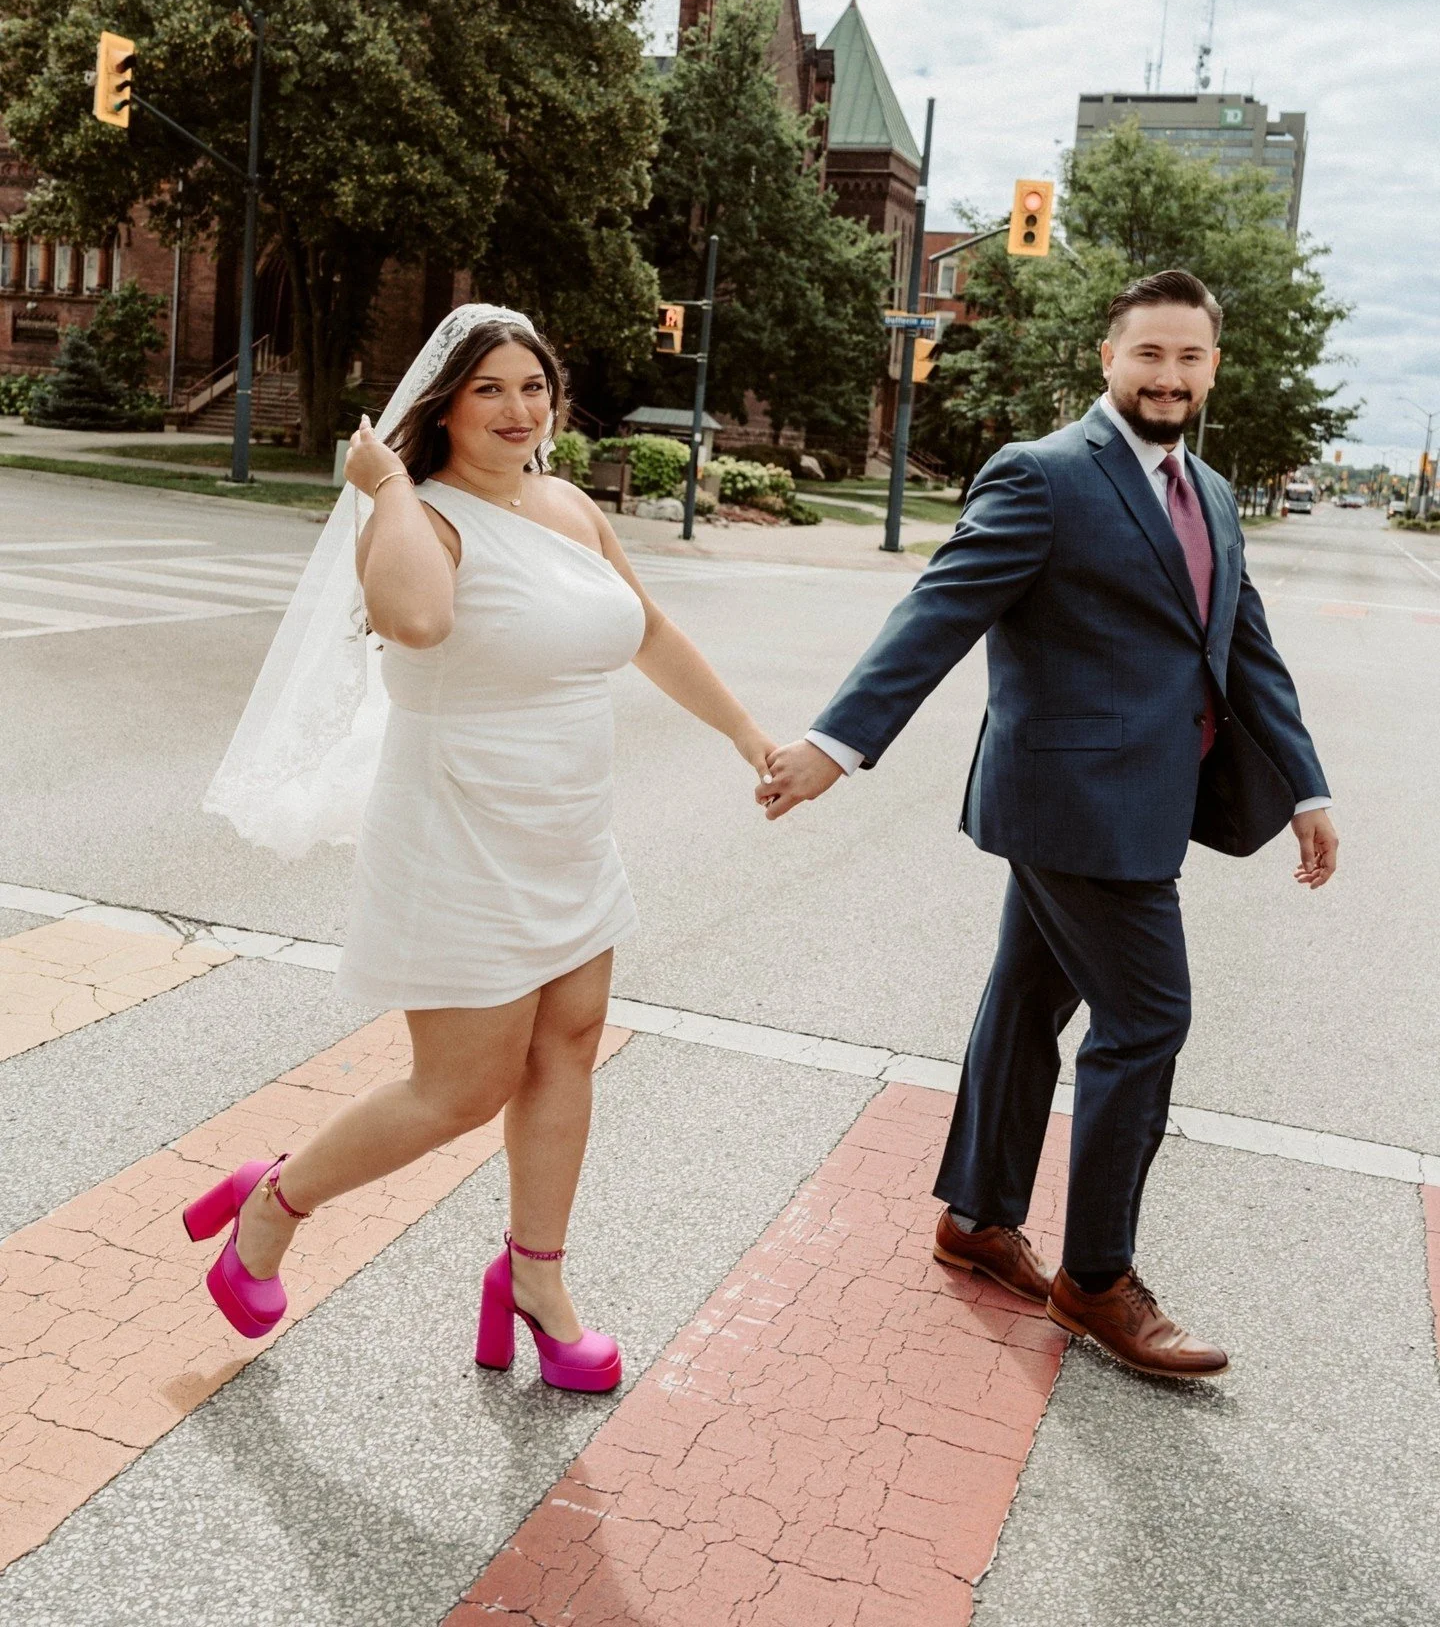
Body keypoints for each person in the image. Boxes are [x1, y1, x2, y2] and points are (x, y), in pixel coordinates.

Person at [758, 270, 1337, 1380]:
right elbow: (939, 609)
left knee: (1029, 999)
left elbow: (1245, 652)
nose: (1168, 375)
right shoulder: (1044, 474)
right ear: (1108, 358)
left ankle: (977, 1217)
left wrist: (1306, 789)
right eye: (1148, 353)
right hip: (1071, 805)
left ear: (1214, 369)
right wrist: (836, 746)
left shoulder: (1212, 494)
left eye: (1189, 357)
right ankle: (1097, 1278)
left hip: (1142, 804)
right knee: (1149, 1020)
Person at [191, 306, 774, 1391]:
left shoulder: (569, 505)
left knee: (568, 1049)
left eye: (533, 386)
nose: (518, 409)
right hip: (457, 829)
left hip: (570, 826)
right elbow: (414, 623)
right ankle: (273, 1202)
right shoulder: (420, 516)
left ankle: (536, 1281)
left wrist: (748, 737)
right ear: (445, 406)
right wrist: (387, 486)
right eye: (489, 389)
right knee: (459, 1088)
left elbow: (646, 630)